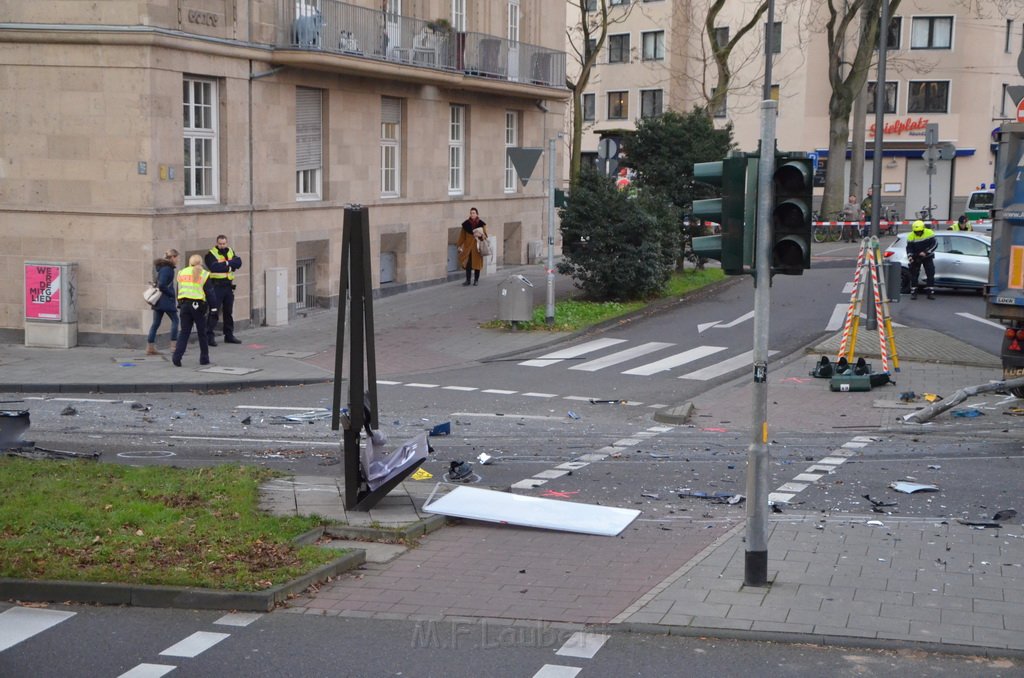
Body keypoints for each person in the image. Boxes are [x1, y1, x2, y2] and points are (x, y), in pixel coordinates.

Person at [171, 254, 211, 367]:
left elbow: (179, 289)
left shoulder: (182, 272)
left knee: (184, 332)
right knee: (202, 333)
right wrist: (213, 307)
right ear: (201, 263)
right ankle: (204, 358)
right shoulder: (204, 274)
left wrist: (179, 303)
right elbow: (209, 292)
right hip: (198, 306)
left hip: (184, 305)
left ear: (190, 262)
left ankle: (177, 357)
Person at [204, 234, 243, 345]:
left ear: (226, 243)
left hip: (228, 286)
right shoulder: (211, 254)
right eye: (220, 244)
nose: (222, 245)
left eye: (224, 243)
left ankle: (229, 335)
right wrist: (230, 265)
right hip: (216, 286)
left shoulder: (230, 251)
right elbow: (214, 267)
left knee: (228, 312)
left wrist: (226, 264)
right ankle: (209, 337)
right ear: (217, 243)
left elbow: (239, 263)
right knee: (214, 311)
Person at [146, 249, 180, 355]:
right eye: (177, 257)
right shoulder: (168, 269)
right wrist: (171, 293)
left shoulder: (161, 267)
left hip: (159, 300)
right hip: (166, 300)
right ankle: (174, 347)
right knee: (175, 320)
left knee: (156, 323)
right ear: (172, 257)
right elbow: (162, 285)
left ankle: (150, 347)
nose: (178, 260)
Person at [906, 220, 937, 300]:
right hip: (916, 257)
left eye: (920, 231)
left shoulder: (929, 233)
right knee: (914, 274)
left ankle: (930, 292)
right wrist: (910, 256)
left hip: (927, 256)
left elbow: (934, 244)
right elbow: (909, 248)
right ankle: (914, 292)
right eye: (916, 232)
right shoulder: (911, 236)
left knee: (930, 273)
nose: (918, 233)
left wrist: (926, 252)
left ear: (923, 229)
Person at [457, 207, 488, 286]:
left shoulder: (481, 224)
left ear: (477, 214)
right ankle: (468, 280)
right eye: (471, 213)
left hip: (477, 248)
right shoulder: (466, 224)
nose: (472, 214)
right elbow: (462, 236)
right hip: (468, 248)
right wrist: (459, 245)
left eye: (474, 213)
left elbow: (485, 236)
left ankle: (476, 280)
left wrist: (481, 235)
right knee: (468, 264)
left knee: (477, 265)